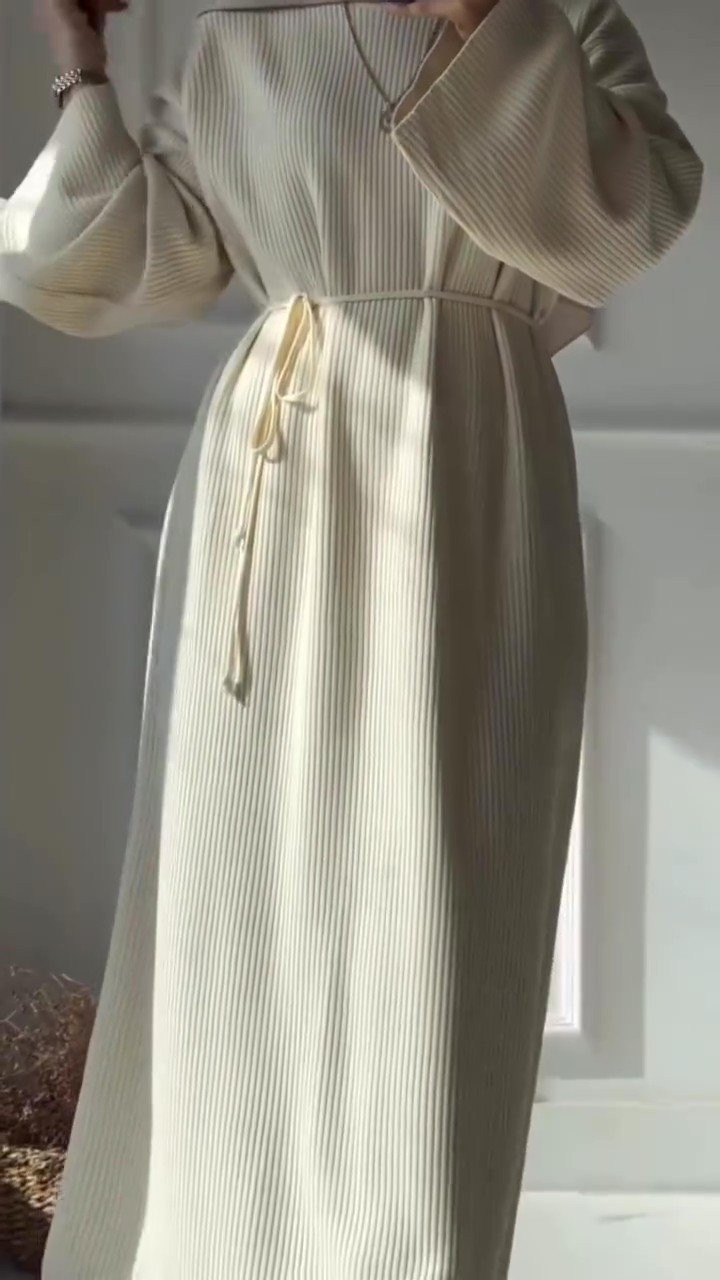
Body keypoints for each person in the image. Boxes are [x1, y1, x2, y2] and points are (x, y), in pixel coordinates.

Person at [0, 1, 703, 1276]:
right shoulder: (241, 34)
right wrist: (80, 64)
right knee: (233, 899)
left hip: (471, 476)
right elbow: (109, 263)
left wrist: (479, 23)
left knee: (441, 913)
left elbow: (621, 223)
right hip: (267, 495)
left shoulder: (560, 15)